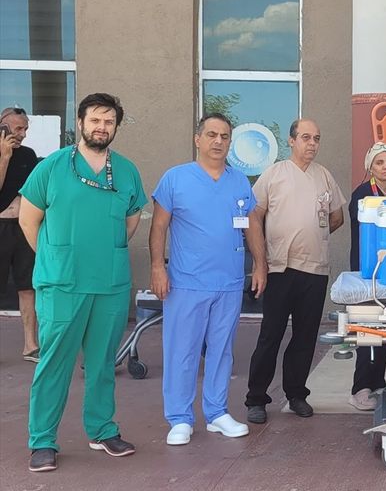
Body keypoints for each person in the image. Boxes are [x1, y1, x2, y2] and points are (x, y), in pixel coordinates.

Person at [19, 93, 146, 472]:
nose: (101, 127)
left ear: (116, 127)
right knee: (54, 362)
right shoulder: (52, 167)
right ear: (80, 122)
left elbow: (130, 221)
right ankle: (43, 440)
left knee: (102, 363)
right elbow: (29, 220)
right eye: (95, 120)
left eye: (109, 121)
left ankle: (102, 430)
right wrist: (56, 257)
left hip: (109, 283)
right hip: (63, 283)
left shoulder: (126, 171)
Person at [149, 114, 267, 445]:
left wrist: (260, 265)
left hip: (228, 282)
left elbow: (251, 225)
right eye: (212, 134)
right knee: (182, 351)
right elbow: (158, 226)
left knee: (221, 350)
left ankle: (216, 413)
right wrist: (157, 267)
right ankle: (179, 418)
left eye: (225, 136)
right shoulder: (175, 179)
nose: (218, 141)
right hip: (187, 282)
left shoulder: (239, 182)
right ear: (197, 139)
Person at [245, 118, 346, 423]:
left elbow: (337, 217)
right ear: (291, 141)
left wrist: (313, 233)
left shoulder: (323, 175)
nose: (312, 143)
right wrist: (260, 261)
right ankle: (256, 398)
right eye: (305, 137)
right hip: (280, 267)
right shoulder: (274, 174)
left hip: (314, 269)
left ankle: (297, 394)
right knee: (271, 335)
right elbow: (254, 215)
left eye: (316, 138)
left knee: (305, 336)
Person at [347, 142, 386, 411]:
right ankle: (360, 388)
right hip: (368, 270)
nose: (385, 167)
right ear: (370, 167)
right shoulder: (361, 194)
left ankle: (378, 383)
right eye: (379, 163)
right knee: (367, 329)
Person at [0, 107, 39, 362]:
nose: (23, 134)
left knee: (28, 286)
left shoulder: (28, 155)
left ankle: (30, 345)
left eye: (25, 129)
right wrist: (4, 157)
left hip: (23, 227)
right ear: (3, 126)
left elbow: (34, 190)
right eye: (18, 128)